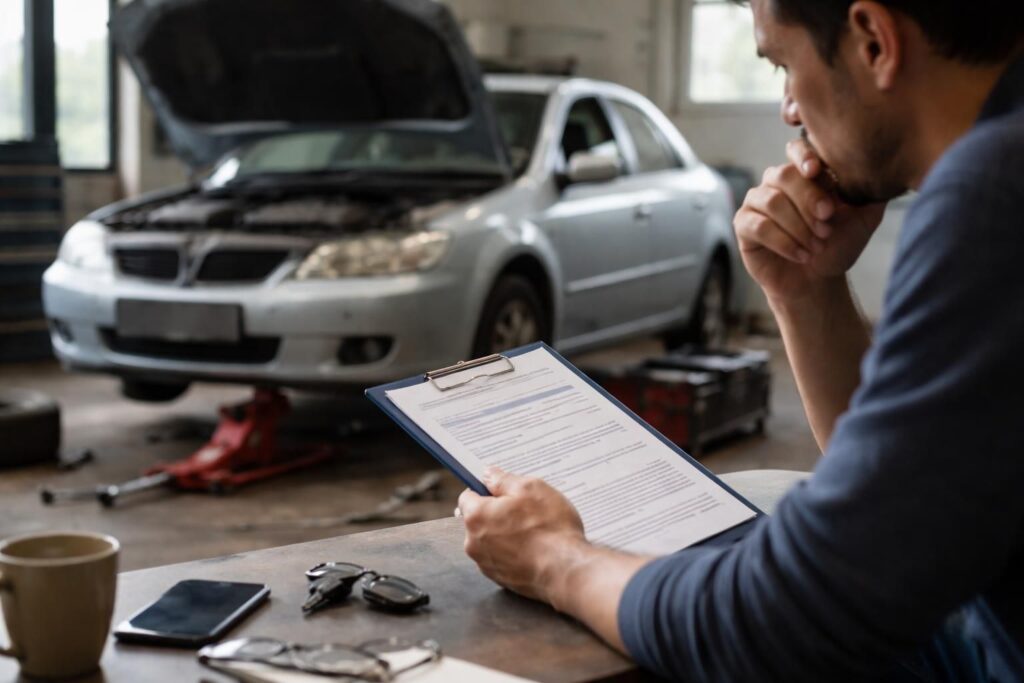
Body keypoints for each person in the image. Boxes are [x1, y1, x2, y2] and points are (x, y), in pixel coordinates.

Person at [456, 1, 1024, 680]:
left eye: (783, 62)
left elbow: (797, 614)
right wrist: (803, 288)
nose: (788, 108)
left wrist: (556, 559)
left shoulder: (992, 193)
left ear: (874, 41)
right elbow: (902, 504)